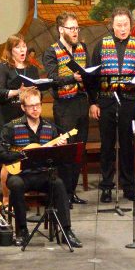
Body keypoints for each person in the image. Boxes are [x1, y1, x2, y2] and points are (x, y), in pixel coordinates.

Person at [0, 87, 82, 247]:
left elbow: (58, 160)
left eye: (38, 105)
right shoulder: (11, 127)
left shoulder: (50, 127)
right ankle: (22, 231)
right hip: (20, 175)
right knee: (16, 184)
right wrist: (22, 154)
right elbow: (0, 155)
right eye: (31, 106)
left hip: (42, 174)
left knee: (59, 184)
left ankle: (66, 231)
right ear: (23, 107)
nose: (35, 109)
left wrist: (60, 148)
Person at [89, 7, 135, 203]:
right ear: (112, 26)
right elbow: (92, 76)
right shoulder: (101, 45)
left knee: (127, 145)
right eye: (119, 25)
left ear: (131, 25)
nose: (123, 29)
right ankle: (106, 187)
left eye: (126, 25)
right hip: (106, 102)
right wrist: (93, 102)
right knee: (107, 146)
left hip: (128, 102)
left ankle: (129, 187)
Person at [43, 12, 91, 207]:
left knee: (79, 150)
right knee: (66, 151)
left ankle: (71, 193)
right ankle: (63, 196)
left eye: (77, 28)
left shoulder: (82, 48)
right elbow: (52, 78)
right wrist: (73, 78)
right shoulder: (51, 51)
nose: (75, 32)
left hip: (81, 102)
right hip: (64, 106)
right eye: (71, 28)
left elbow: (87, 73)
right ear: (61, 30)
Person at [0, 34, 40, 148]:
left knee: (28, 145)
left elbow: (37, 92)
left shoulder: (32, 68)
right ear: (10, 50)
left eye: (24, 46)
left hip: (24, 112)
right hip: (5, 111)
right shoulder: (3, 67)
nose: (22, 50)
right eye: (18, 47)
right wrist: (18, 91)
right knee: (4, 145)